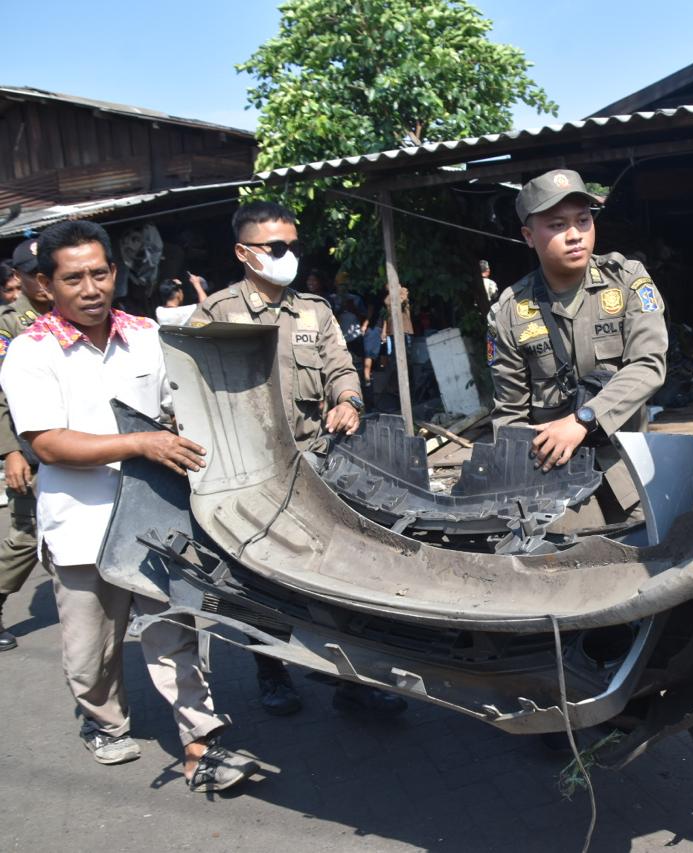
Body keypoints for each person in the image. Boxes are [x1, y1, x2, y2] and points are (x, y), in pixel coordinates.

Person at [0, 220, 257, 791]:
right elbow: (47, 443)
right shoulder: (30, 352)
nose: (90, 288)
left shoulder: (146, 335)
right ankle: (103, 720)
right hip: (80, 526)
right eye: (74, 278)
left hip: (153, 522)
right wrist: (141, 443)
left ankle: (201, 742)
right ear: (46, 284)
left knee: (174, 632)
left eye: (99, 273)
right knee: (90, 653)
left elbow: (177, 407)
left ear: (114, 273)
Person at [190, 201, 406, 718]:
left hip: (313, 468)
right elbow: (191, 394)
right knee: (254, 585)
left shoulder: (314, 311)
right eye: (275, 247)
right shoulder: (216, 314)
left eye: (292, 245)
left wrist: (349, 401)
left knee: (337, 578)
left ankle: (353, 683)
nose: (287, 255)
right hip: (246, 480)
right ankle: (271, 671)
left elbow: (341, 369)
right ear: (243, 253)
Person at [488, 168, 667, 525]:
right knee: (564, 552)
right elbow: (510, 414)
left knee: (652, 546)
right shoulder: (508, 312)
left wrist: (584, 419)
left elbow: (648, 365)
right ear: (528, 236)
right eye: (557, 225)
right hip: (556, 477)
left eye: (583, 221)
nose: (575, 235)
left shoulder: (627, 280)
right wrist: (519, 486)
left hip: (627, 466)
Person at [0, 239, 53, 651]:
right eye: (34, 274)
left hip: (82, 444)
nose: (43, 280)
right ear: (20, 277)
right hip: (31, 449)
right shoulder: (10, 325)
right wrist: (11, 452)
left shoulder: (70, 312)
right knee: (26, 536)